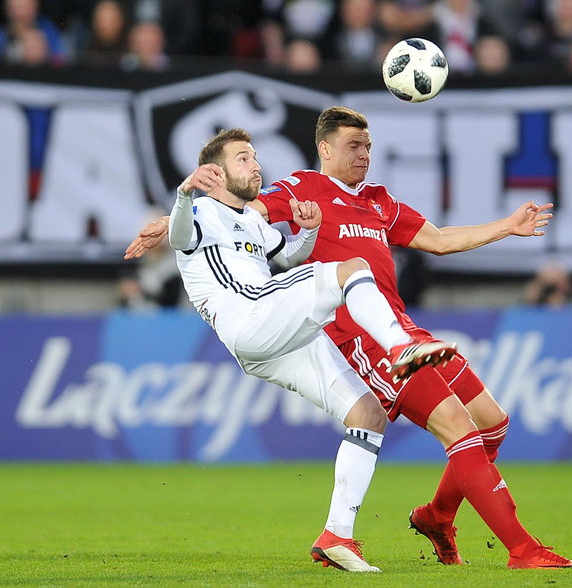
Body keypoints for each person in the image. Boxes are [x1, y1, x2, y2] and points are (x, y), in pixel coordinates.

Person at [126, 107, 572, 570]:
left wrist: (506, 226)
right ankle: (523, 550)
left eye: (367, 146)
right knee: (459, 429)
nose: (364, 154)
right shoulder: (301, 187)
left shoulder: (380, 201)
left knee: (491, 422)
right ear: (325, 149)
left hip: (404, 328)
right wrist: (171, 219)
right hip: (362, 338)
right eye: (353, 146)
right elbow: (240, 209)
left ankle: (435, 517)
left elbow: (441, 240)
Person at [138, 127, 457, 573]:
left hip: (272, 338)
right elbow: (178, 239)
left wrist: (308, 233)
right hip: (249, 313)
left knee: (368, 414)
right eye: (243, 158)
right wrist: (183, 193)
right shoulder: (202, 211)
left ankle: (337, 537)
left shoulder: (251, 221)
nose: (256, 165)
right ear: (216, 171)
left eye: (254, 156)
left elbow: (286, 259)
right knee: (353, 269)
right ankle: (402, 346)